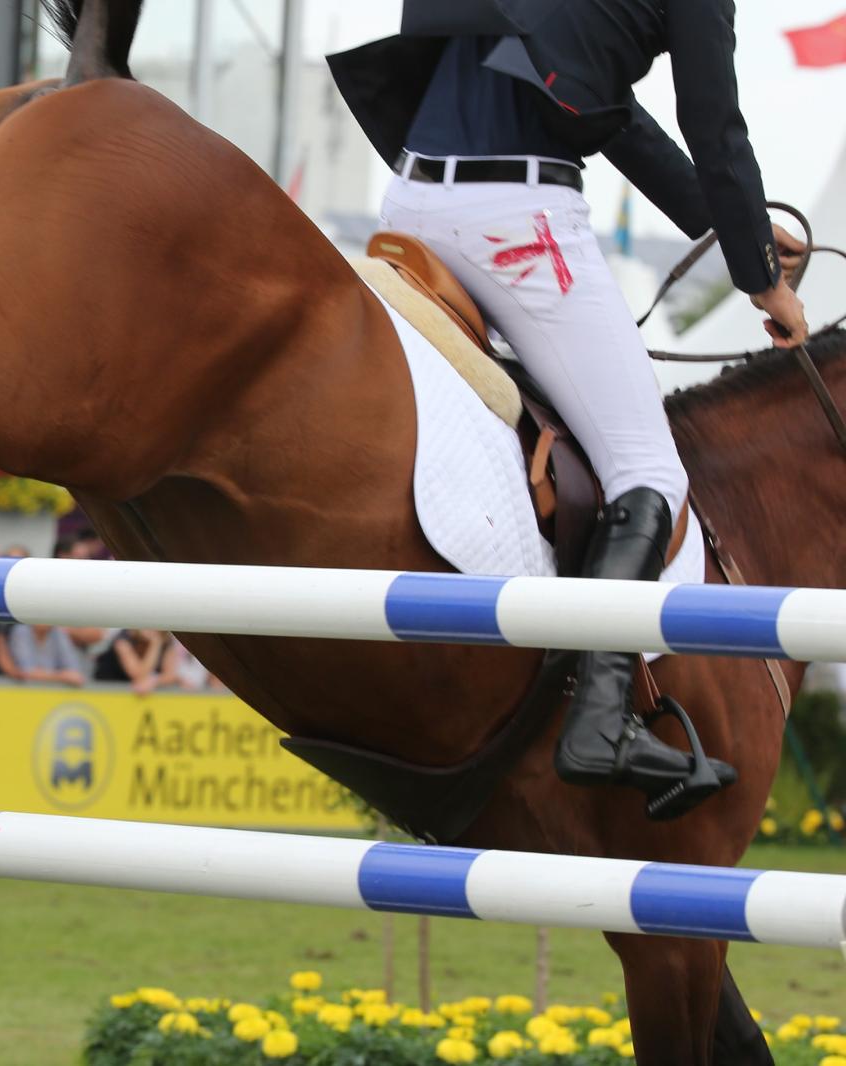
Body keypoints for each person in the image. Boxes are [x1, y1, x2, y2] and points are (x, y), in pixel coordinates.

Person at [329, 0, 808, 812]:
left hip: (410, 199)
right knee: (649, 472)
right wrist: (761, 276)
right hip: (514, 218)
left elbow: (600, 110)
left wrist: (727, 228)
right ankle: (600, 720)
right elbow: (714, 122)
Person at [93, 629, 177, 697]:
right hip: (108, 693)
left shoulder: (166, 641)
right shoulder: (123, 640)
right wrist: (155, 644)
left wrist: (154, 681)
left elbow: (170, 675)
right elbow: (139, 675)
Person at [8, 624, 87, 686]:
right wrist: (61, 677)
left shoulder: (58, 632)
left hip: (51, 694)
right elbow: (26, 672)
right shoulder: (21, 631)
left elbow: (75, 673)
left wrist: (46, 676)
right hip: (24, 694)